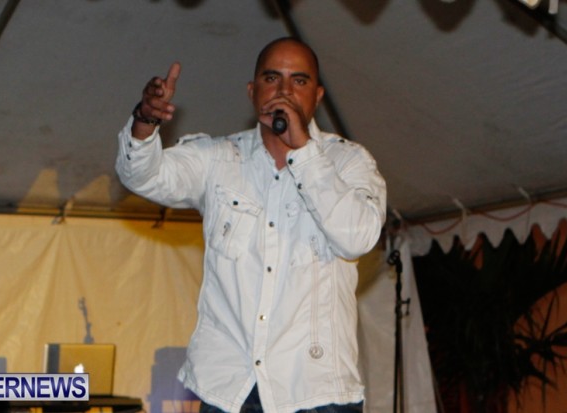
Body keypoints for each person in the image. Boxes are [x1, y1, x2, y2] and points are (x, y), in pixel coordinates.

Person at [116, 37, 386, 413]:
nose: (285, 91)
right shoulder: (218, 158)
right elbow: (143, 176)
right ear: (252, 91)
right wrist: (146, 121)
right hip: (228, 389)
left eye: (299, 81)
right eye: (272, 78)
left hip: (315, 392)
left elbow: (358, 238)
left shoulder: (349, 162)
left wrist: (304, 152)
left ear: (318, 96)